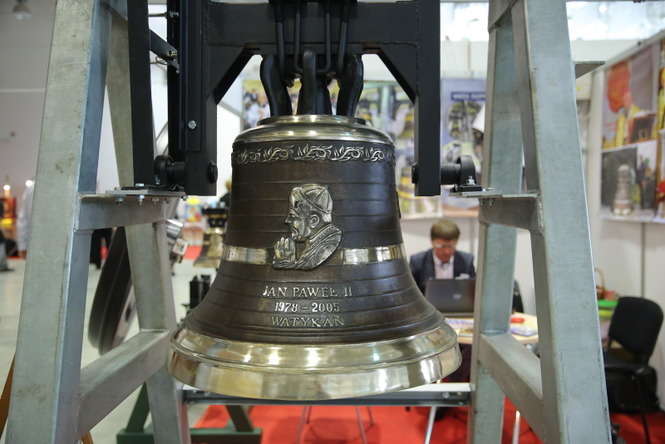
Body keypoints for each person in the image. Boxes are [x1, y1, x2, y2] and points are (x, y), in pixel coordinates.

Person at [409, 218, 475, 293]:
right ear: (432, 242)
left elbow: (473, 292)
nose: (447, 251)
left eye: (451, 246)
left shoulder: (467, 261)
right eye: (442, 246)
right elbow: (411, 293)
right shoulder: (418, 262)